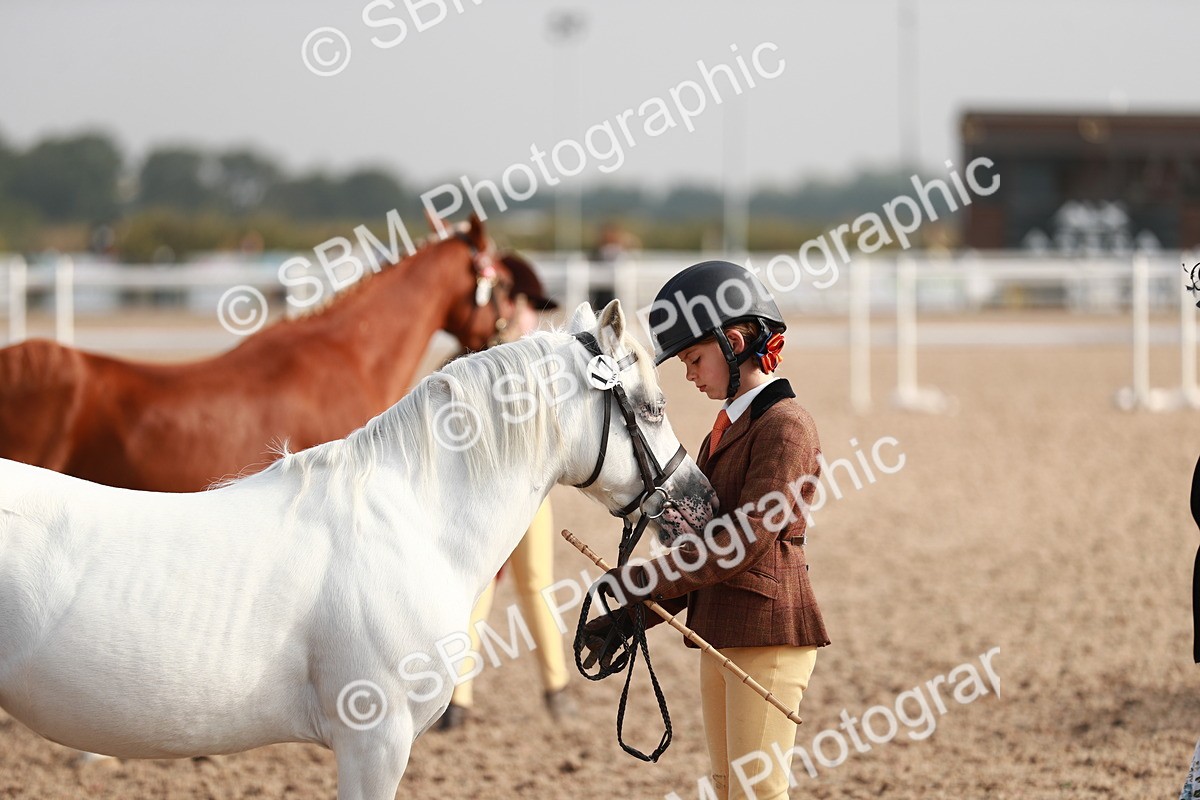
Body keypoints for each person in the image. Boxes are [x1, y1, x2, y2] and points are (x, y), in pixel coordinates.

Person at [583, 260, 830, 800]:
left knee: (756, 791)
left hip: (768, 633)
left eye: (694, 358)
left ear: (735, 340)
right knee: (728, 789)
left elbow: (740, 542)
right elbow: (698, 547)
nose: (689, 374)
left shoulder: (787, 427)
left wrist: (645, 584)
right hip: (722, 629)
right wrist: (635, 615)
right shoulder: (725, 431)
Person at [436, 254, 578, 730]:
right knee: (523, 587)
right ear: (511, 303)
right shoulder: (516, 358)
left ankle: (464, 698)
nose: (536, 316)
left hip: (502, 491)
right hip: (508, 491)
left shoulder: (480, 357)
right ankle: (547, 690)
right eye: (530, 305)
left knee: (497, 589)